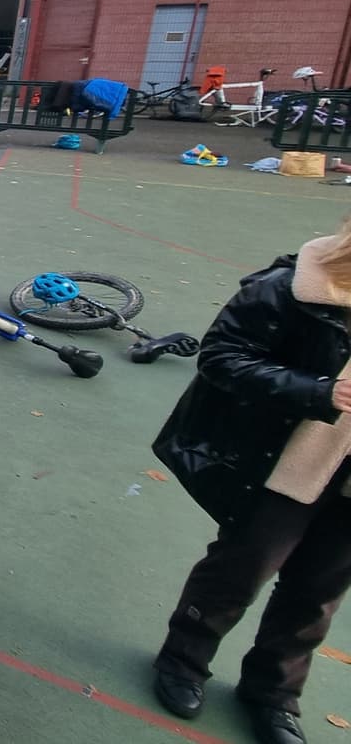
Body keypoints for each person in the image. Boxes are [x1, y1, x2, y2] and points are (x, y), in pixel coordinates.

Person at [150, 222, 351, 744]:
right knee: (241, 568)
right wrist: (320, 391)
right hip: (290, 462)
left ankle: (273, 693)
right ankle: (183, 659)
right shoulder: (293, 287)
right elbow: (221, 356)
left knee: (318, 590)